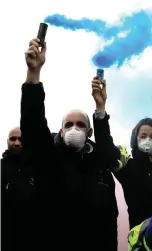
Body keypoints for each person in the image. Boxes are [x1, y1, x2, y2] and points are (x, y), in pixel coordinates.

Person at [22, 38, 118, 250]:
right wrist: (33, 75)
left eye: (81, 125)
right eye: (69, 124)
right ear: (62, 130)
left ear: (89, 131)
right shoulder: (50, 157)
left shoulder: (100, 164)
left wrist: (100, 107)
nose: (75, 128)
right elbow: (33, 125)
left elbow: (107, 146)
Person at [103, 117, 152, 229]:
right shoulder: (128, 166)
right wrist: (101, 115)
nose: (148, 140)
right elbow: (106, 148)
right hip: (138, 237)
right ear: (136, 139)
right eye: (143, 136)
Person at [1, 127, 40, 251]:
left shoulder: (37, 169)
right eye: (13, 139)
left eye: (21, 139)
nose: (17, 143)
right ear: (7, 141)